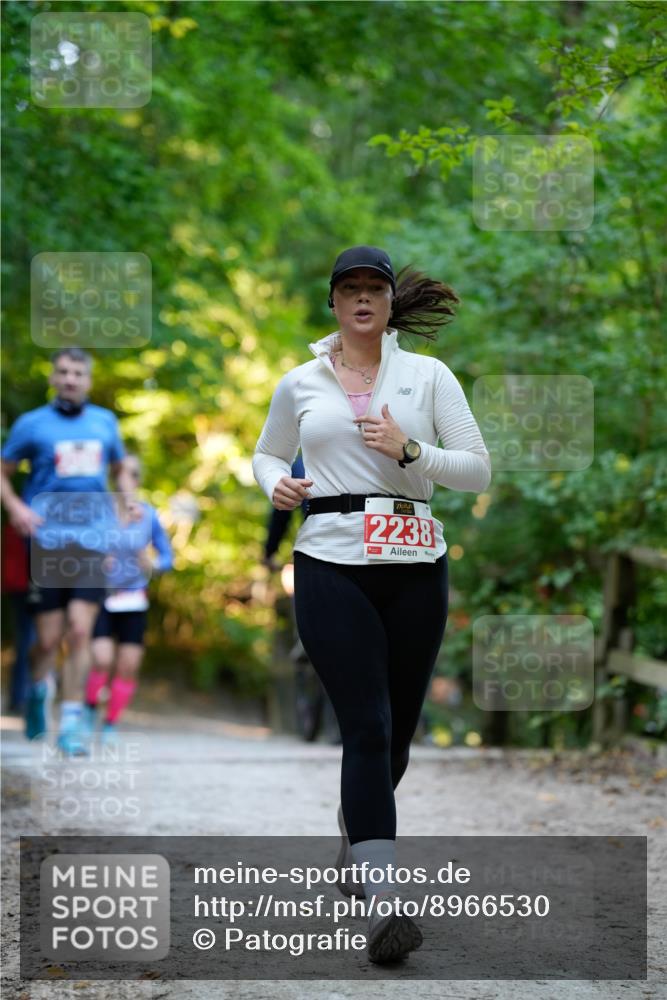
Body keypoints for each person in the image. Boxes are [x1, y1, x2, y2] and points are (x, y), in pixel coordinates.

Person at [252, 245, 491, 964]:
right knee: (366, 723)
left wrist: (411, 450)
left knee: (397, 737)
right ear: (332, 302)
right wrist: (274, 484)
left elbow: (476, 470)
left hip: (415, 560)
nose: (361, 298)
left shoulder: (429, 376)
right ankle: (384, 904)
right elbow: (268, 452)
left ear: (390, 303)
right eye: (349, 288)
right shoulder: (299, 381)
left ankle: (357, 833)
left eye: (373, 289)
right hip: (329, 558)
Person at [0, 347, 137, 755]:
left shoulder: (104, 422)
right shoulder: (32, 424)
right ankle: (38, 690)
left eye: (78, 373)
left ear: (88, 380)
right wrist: (17, 508)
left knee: (80, 630)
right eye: (63, 372)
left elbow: (119, 469)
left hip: (92, 542)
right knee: (48, 639)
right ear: (53, 378)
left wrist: (127, 500)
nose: (70, 379)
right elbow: (3, 472)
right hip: (46, 542)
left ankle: (72, 722)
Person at [83, 453, 174, 744]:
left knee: (128, 666)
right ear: (113, 476)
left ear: (138, 480)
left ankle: (110, 724)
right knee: (101, 659)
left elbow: (168, 557)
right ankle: (88, 711)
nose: (126, 479)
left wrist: (152, 564)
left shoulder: (148, 515)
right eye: (121, 472)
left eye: (133, 474)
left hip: (133, 600)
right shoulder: (99, 512)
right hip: (101, 597)